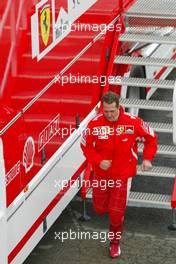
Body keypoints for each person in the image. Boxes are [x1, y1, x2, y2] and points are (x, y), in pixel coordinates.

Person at [80, 91, 157, 258]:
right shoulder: (94, 124)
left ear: (118, 107)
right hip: (101, 174)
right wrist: (98, 160)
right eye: (106, 111)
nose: (109, 115)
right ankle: (113, 211)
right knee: (99, 209)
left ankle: (114, 243)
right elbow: (85, 145)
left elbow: (151, 137)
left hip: (122, 176)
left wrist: (147, 159)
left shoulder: (133, 122)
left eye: (112, 111)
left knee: (116, 213)